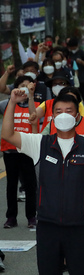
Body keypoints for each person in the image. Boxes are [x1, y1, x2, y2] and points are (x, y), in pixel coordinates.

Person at [1, 92, 84, 274]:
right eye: (58, 111)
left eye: (68, 110)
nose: (63, 115)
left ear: (77, 116)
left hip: (79, 227)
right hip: (47, 226)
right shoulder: (40, 143)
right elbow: (7, 134)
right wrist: (12, 102)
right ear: (52, 116)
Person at [0, 76, 38, 229]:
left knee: (30, 185)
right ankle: (11, 217)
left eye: (27, 85)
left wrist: (30, 96)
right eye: (21, 85)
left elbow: (33, 117)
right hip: (10, 150)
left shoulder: (33, 104)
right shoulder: (7, 104)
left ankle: (31, 216)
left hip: (27, 149)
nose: (24, 88)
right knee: (11, 184)